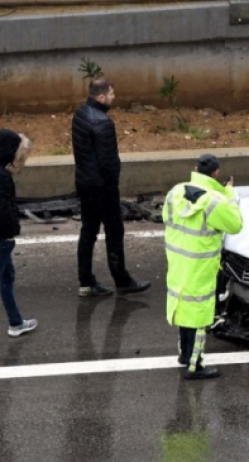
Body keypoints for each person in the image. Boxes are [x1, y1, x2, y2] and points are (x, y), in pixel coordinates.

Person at [163, 154, 242, 379]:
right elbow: (235, 224)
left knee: (183, 305)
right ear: (216, 173)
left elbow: (166, 218)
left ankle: (184, 355)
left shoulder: (175, 192)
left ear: (195, 168)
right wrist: (230, 194)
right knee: (198, 313)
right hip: (201, 265)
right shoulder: (215, 201)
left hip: (178, 260)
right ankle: (194, 366)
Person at [72, 77, 150, 297]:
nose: (115, 97)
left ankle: (85, 281)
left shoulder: (80, 114)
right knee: (114, 230)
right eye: (112, 94)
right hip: (102, 188)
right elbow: (108, 162)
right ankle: (122, 279)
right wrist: (113, 185)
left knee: (88, 231)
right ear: (101, 96)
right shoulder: (103, 123)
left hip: (84, 183)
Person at [0, 129, 38, 348]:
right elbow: (4, 212)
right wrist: (11, 234)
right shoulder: (1, 178)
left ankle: (16, 322)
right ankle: (15, 323)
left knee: (7, 277)